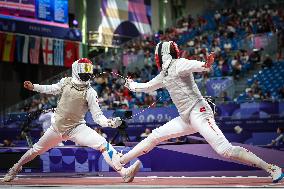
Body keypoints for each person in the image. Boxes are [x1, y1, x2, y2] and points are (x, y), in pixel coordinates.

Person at [117, 41, 283, 183]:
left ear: (160, 55)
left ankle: (271, 167)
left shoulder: (179, 64)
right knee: (154, 136)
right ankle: (122, 160)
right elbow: (146, 87)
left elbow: (197, 66)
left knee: (225, 150)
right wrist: (130, 84)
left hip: (199, 112)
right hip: (185, 118)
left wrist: (205, 65)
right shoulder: (163, 75)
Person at [3, 58, 140, 183]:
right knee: (35, 151)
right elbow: (51, 89)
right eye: (84, 69)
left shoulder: (90, 92)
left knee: (104, 145)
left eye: (88, 70)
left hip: (77, 128)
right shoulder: (65, 82)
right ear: (76, 70)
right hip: (56, 128)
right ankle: (15, 168)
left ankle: (124, 172)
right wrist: (34, 87)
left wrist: (110, 122)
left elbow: (98, 117)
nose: (86, 73)